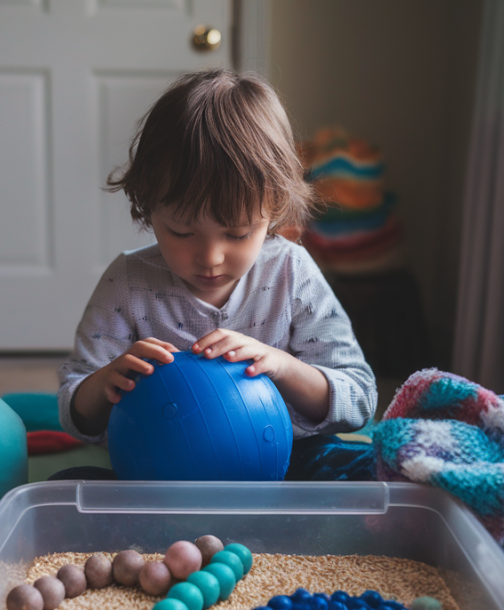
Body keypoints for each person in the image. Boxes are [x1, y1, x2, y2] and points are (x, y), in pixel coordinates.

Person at [55, 68, 376, 478]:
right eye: (182, 232)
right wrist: (103, 384)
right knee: (68, 485)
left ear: (273, 211)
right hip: (158, 468)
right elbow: (73, 411)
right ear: (148, 206)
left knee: (363, 468)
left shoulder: (291, 272)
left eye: (238, 234)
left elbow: (359, 398)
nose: (210, 257)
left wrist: (281, 365)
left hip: (282, 460)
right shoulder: (128, 282)